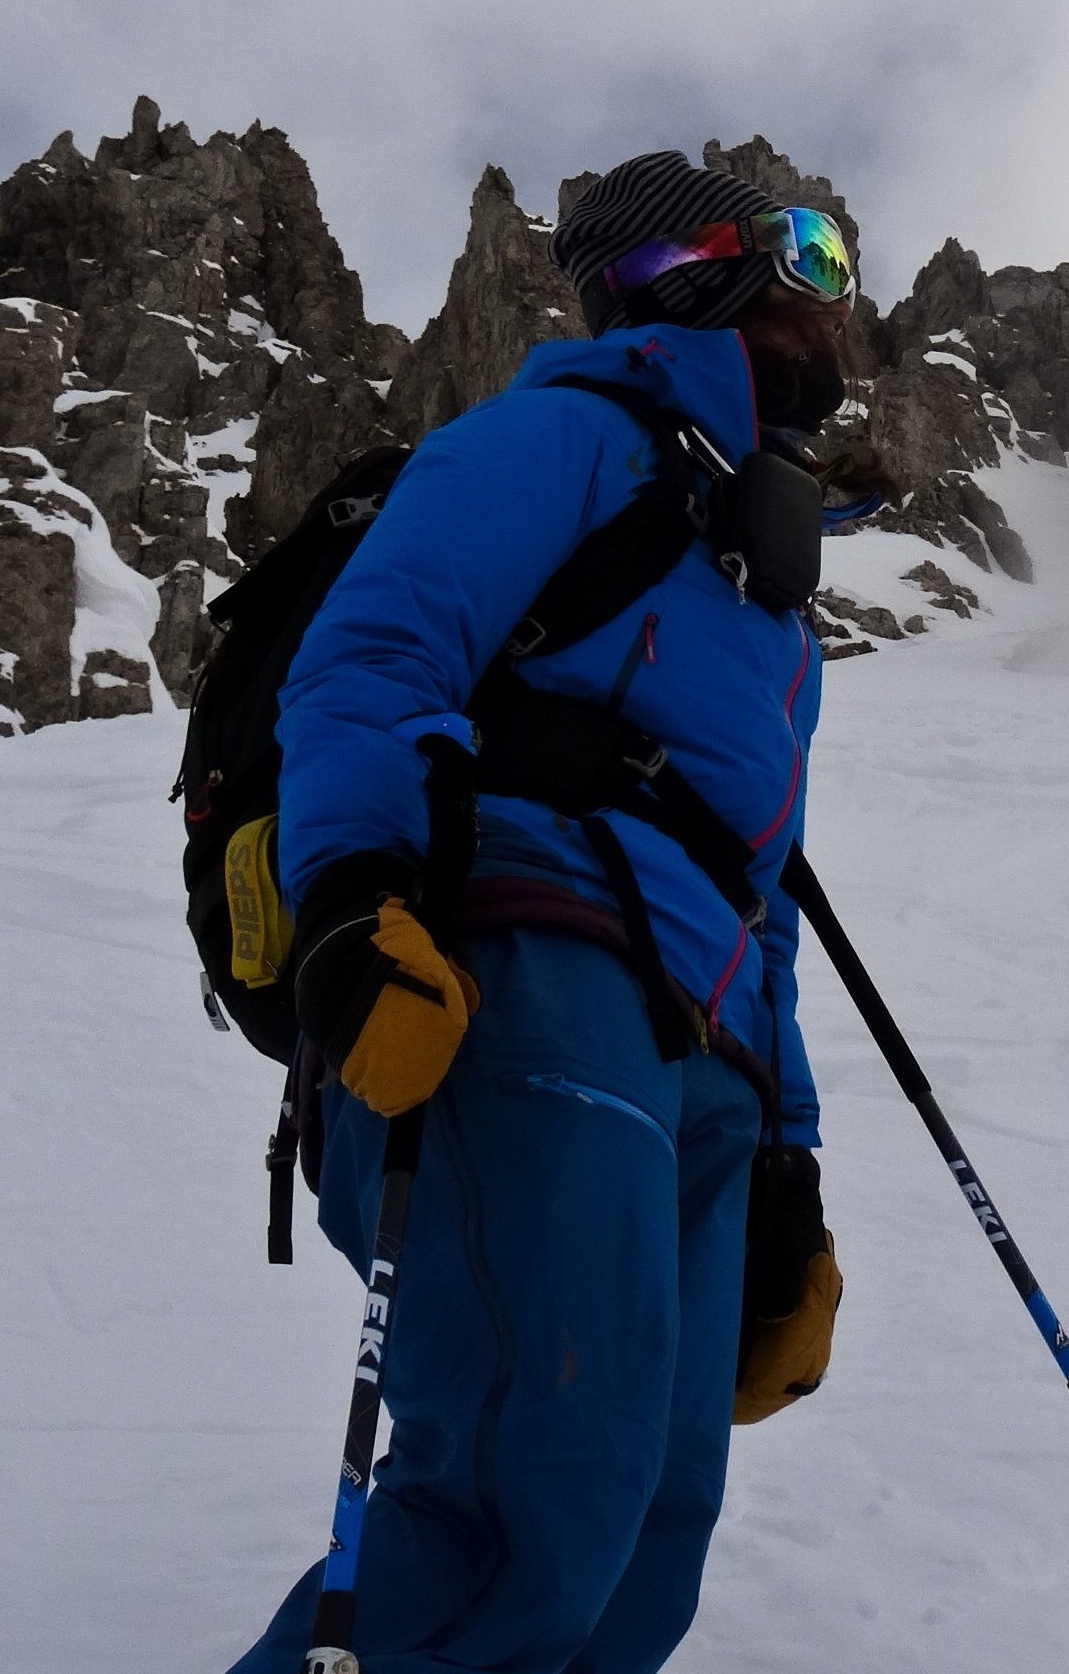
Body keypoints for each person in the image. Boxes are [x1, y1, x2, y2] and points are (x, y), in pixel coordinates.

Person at [224, 151, 863, 1674]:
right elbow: (376, 655)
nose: (837, 300)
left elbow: (764, 898)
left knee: (646, 1536)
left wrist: (785, 1161)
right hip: (527, 962)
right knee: (532, 1497)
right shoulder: (564, 434)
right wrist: (354, 901)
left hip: (705, 1050)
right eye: (810, 256)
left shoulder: (768, 600)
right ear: (699, 271)